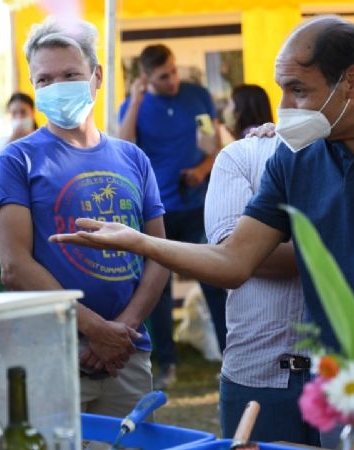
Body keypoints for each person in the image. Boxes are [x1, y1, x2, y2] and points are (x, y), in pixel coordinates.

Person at [52, 17, 354, 450]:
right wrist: (140, 242)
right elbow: (232, 261)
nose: (284, 107)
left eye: (299, 89)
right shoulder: (294, 158)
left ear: (353, 83)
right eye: (282, 88)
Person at [0, 17, 168, 419]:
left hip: (127, 354)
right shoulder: (17, 160)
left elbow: (159, 253)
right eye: (44, 80)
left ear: (97, 76)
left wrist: (123, 330)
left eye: (70, 74)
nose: (57, 87)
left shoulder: (133, 158)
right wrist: (96, 330)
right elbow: (15, 266)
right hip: (51, 352)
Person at [118, 44, 227, 387]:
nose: (173, 80)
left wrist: (200, 169)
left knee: (215, 280)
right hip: (156, 212)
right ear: (146, 78)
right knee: (157, 289)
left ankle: (230, 357)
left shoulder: (197, 97)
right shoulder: (135, 105)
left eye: (175, 70)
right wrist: (135, 101)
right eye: (164, 76)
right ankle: (167, 362)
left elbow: (213, 145)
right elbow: (123, 146)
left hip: (197, 205)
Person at [205, 135, 317, 446]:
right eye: (290, 87)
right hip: (258, 371)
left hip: (344, 375)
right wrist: (344, 243)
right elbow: (232, 255)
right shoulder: (243, 155)